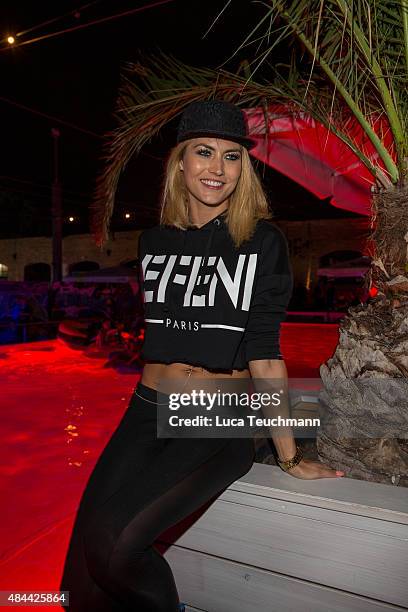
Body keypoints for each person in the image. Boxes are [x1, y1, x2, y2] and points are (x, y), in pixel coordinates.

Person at [60, 100, 344, 611]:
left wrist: (290, 454)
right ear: (180, 163)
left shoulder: (261, 241)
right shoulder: (153, 241)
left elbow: (264, 354)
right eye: (204, 152)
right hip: (145, 409)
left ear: (244, 168)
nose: (217, 168)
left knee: (114, 546)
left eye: (232, 156)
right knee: (76, 581)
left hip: (215, 415)